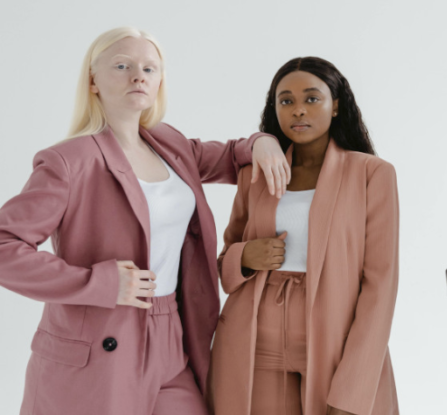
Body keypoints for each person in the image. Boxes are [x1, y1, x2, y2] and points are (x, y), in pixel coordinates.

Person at [0, 27, 289, 415]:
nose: (139, 76)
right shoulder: (68, 161)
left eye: (150, 69)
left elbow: (230, 156)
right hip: (101, 337)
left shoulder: (169, 144)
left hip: (172, 332)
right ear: (93, 80)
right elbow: (6, 247)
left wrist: (262, 141)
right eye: (122, 65)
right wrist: (98, 283)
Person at [209, 57, 399, 415]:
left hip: (334, 338)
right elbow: (224, 265)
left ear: (336, 104)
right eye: (286, 101)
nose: (298, 110)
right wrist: (245, 257)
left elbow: (381, 284)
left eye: (312, 99)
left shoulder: (373, 174)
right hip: (254, 342)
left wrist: (354, 392)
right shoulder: (256, 174)